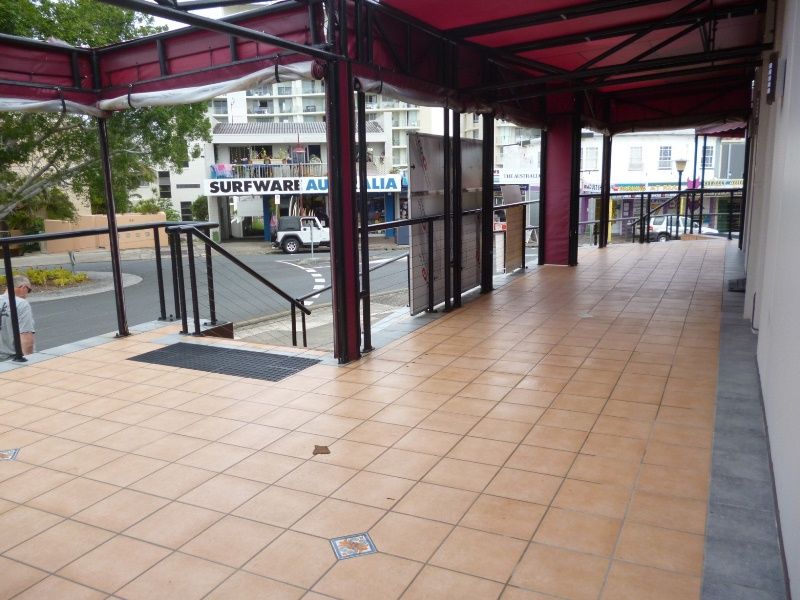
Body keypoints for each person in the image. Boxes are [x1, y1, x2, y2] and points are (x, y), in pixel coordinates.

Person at [0, 275, 35, 360]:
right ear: (23, 287)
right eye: (29, 290)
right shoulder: (21, 304)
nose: (27, 294)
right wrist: (30, 361)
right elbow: (26, 337)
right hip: (12, 359)